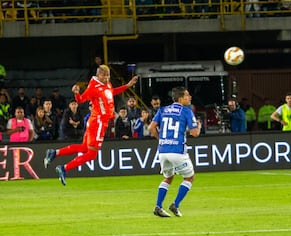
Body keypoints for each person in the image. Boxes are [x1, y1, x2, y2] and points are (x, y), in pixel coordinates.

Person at [43, 65, 138, 185]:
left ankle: (54, 153)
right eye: (104, 75)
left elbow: (112, 92)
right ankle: (64, 168)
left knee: (84, 148)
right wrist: (77, 93)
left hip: (99, 122)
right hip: (97, 122)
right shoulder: (93, 86)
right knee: (92, 154)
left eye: (108, 75)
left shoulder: (107, 84)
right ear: (99, 75)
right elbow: (81, 100)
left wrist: (127, 86)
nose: (107, 78)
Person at [149, 86, 202, 218]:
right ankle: (175, 204)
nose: (189, 97)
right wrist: (199, 126)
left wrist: (161, 139)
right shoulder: (186, 111)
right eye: (187, 95)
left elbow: (151, 127)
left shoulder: (162, 110)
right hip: (177, 151)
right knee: (189, 177)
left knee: (168, 177)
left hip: (162, 150)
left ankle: (158, 206)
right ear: (180, 98)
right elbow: (194, 133)